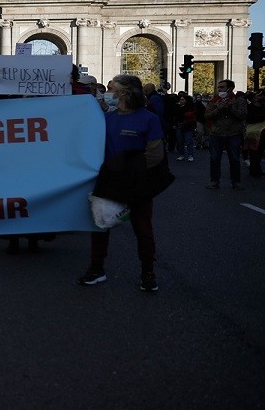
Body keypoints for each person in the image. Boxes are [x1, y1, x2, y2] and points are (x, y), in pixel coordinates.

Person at [78, 75, 164, 291]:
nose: (108, 91)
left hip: (137, 184)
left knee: (143, 229)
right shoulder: (106, 119)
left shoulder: (149, 119)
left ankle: (147, 273)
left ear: (124, 92)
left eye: (111, 88)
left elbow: (155, 155)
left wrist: (128, 170)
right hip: (109, 182)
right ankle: (96, 269)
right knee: (100, 226)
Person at [204, 79, 247, 189]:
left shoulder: (239, 101)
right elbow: (207, 116)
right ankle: (214, 181)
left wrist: (230, 108)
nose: (219, 89)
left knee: (234, 159)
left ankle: (236, 182)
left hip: (233, 134)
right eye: (219, 87)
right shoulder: (214, 100)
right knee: (214, 158)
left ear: (230, 88)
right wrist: (218, 109)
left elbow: (242, 115)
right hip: (217, 134)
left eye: (222, 87)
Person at [244, 91, 265, 178]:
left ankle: (256, 168)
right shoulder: (249, 107)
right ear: (253, 98)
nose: (261, 97)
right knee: (254, 151)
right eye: (258, 96)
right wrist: (264, 115)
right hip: (254, 133)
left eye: (262, 95)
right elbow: (250, 119)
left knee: (260, 151)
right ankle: (254, 170)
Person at [175, 95, 197, 162]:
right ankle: (182, 154)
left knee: (188, 140)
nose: (181, 101)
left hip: (188, 126)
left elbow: (190, 116)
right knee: (180, 141)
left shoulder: (190, 108)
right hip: (180, 125)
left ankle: (190, 155)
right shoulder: (178, 107)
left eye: (182, 99)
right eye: (180, 99)